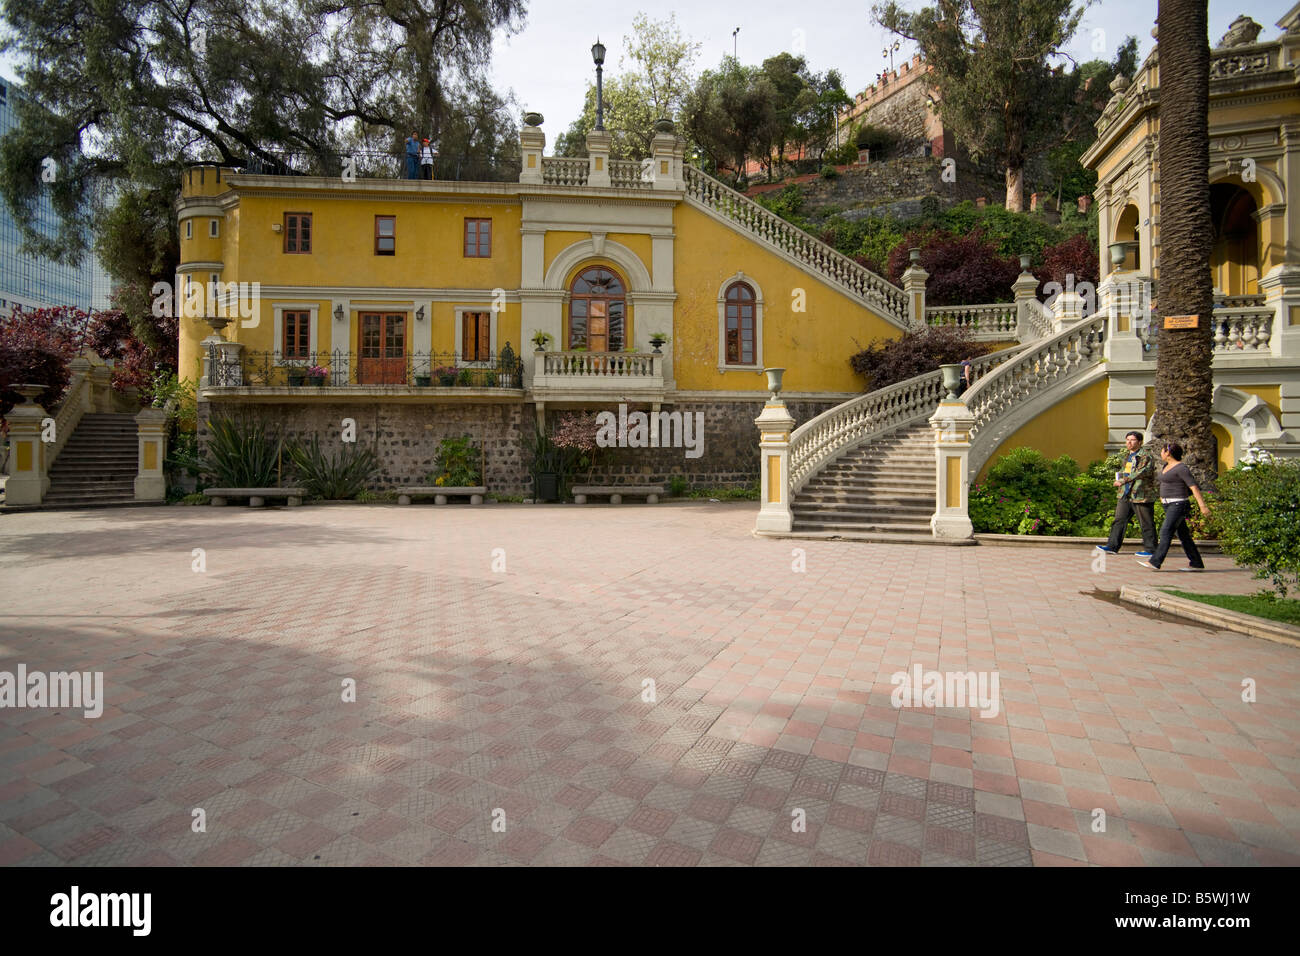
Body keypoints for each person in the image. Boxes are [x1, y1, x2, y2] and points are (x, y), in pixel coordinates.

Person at [1138, 442, 1210, 571]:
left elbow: (1193, 487)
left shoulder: (1181, 468)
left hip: (1179, 504)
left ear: (1168, 453)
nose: (1161, 453)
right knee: (1183, 535)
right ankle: (1196, 563)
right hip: (1168, 504)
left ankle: (1155, 562)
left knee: (1166, 531)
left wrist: (1202, 506)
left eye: (1162, 451)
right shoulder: (1166, 466)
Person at [1096, 431, 1157, 556]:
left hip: (1140, 495)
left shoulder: (1146, 456)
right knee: (1119, 520)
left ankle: (1151, 550)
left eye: (1132, 440)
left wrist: (1123, 480)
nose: (1129, 442)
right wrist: (1119, 478)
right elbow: (1126, 471)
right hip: (1125, 493)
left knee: (1146, 523)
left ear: (1140, 442)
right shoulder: (1128, 456)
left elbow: (1141, 472)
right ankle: (1112, 546)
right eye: (1127, 440)